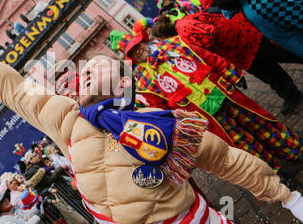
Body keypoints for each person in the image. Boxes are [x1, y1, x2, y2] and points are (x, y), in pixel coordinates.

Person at [0, 28, 303, 224]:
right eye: (81, 72)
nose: (84, 70)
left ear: (125, 79)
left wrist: (287, 198)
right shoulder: (67, 120)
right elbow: (18, 92)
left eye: (97, 65)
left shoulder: (159, 118)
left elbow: (226, 160)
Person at [109, 27, 303, 178]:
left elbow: (207, 57)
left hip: (223, 94)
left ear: (142, 41)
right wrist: (184, 126)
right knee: (240, 141)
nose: (138, 51)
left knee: (260, 120)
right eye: (133, 52)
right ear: (131, 58)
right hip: (205, 116)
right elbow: (161, 108)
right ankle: (274, 167)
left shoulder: (174, 44)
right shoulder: (142, 81)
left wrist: (230, 73)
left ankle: (293, 148)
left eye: (137, 45)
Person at [151, 13, 303, 114]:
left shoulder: (183, 28)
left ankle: (291, 92)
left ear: (164, 36)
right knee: (267, 72)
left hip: (241, 40)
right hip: (237, 49)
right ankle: (291, 94)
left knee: (284, 54)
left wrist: (201, 52)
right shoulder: (180, 29)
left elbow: (209, 34)